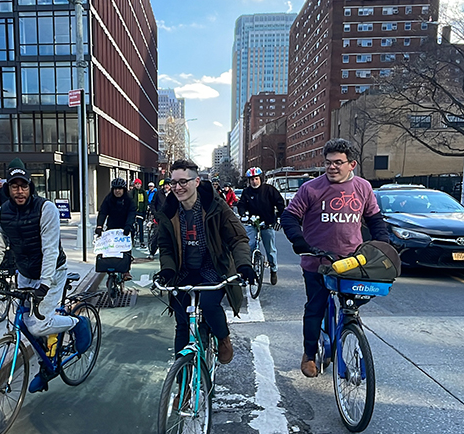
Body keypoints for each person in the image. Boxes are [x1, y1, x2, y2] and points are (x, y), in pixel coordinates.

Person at [0, 165, 91, 393]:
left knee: (38, 326)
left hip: (52, 272)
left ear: (30, 187)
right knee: (25, 323)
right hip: (24, 273)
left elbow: (50, 249)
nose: (19, 191)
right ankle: (46, 365)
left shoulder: (46, 209)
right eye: (14, 187)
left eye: (23, 186)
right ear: (8, 189)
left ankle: (77, 323)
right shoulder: (1, 214)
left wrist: (44, 284)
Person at [281, 138, 389, 378]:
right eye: (328, 162)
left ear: (352, 164)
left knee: (352, 307)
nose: (332, 167)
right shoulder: (311, 188)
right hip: (317, 262)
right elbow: (289, 217)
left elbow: (374, 219)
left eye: (338, 163)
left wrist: (381, 242)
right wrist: (300, 242)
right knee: (315, 307)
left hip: (351, 261)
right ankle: (309, 355)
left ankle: (349, 333)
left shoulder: (363, 187)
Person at [155, 159, 255, 365]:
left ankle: (223, 338)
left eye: (183, 181)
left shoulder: (215, 206)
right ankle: (183, 387)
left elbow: (238, 238)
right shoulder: (169, 211)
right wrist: (167, 271)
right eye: (173, 182)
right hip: (183, 272)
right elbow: (165, 247)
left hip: (212, 269)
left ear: (197, 181)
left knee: (210, 306)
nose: (178, 187)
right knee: (182, 323)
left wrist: (244, 265)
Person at [237, 167, 285, 285]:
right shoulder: (246, 192)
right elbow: (241, 205)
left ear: (260, 179)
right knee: (249, 246)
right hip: (252, 223)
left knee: (270, 249)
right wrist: (243, 214)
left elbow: (280, 203)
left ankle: (273, 270)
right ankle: (247, 271)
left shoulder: (269, 190)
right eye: (252, 179)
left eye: (256, 179)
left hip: (267, 223)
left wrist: (278, 218)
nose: (254, 181)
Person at [95, 177, 136, 280]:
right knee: (110, 250)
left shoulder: (129, 200)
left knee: (125, 249)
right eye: (115, 189)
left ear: (124, 189)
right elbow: (103, 212)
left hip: (125, 227)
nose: (117, 191)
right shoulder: (109, 199)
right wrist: (99, 226)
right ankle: (110, 270)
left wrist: (128, 226)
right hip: (112, 227)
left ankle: (126, 271)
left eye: (120, 189)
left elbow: (132, 213)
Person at [147, 178, 171, 260]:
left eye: (168, 184)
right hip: (159, 218)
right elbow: (152, 204)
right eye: (165, 185)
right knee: (156, 235)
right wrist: (155, 213)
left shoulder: (174, 194)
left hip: (170, 218)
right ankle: (152, 252)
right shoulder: (158, 193)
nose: (166, 186)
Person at [131, 178, 148, 248]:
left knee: (141, 227)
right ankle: (131, 241)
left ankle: (141, 241)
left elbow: (145, 202)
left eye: (139, 184)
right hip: (133, 212)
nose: (137, 185)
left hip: (141, 212)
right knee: (132, 227)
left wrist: (144, 211)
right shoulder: (132, 192)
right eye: (136, 184)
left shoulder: (143, 192)